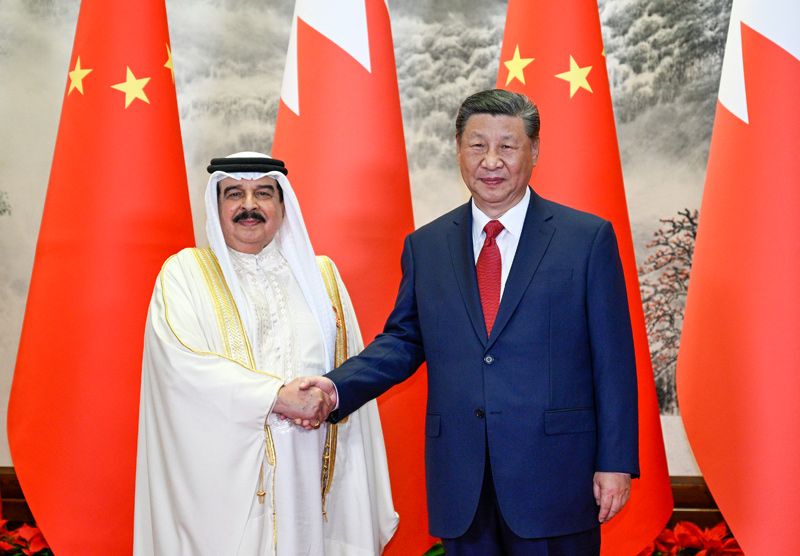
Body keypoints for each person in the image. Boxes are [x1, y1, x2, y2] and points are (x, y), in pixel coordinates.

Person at [300, 90, 639, 555]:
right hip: (463, 480)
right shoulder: (427, 245)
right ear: (458, 149)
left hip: (557, 477)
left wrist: (616, 461)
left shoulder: (586, 239)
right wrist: (334, 388)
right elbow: (403, 340)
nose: (491, 161)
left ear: (535, 151)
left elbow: (613, 361)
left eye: (508, 146)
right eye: (477, 145)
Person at [133, 152, 398, 555]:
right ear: (216, 206)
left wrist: (320, 399)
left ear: (282, 205)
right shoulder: (185, 274)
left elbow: (349, 372)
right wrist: (277, 396)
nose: (249, 206)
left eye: (263, 193)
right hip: (227, 493)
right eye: (234, 194)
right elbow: (181, 368)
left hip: (312, 478)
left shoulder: (321, 277)